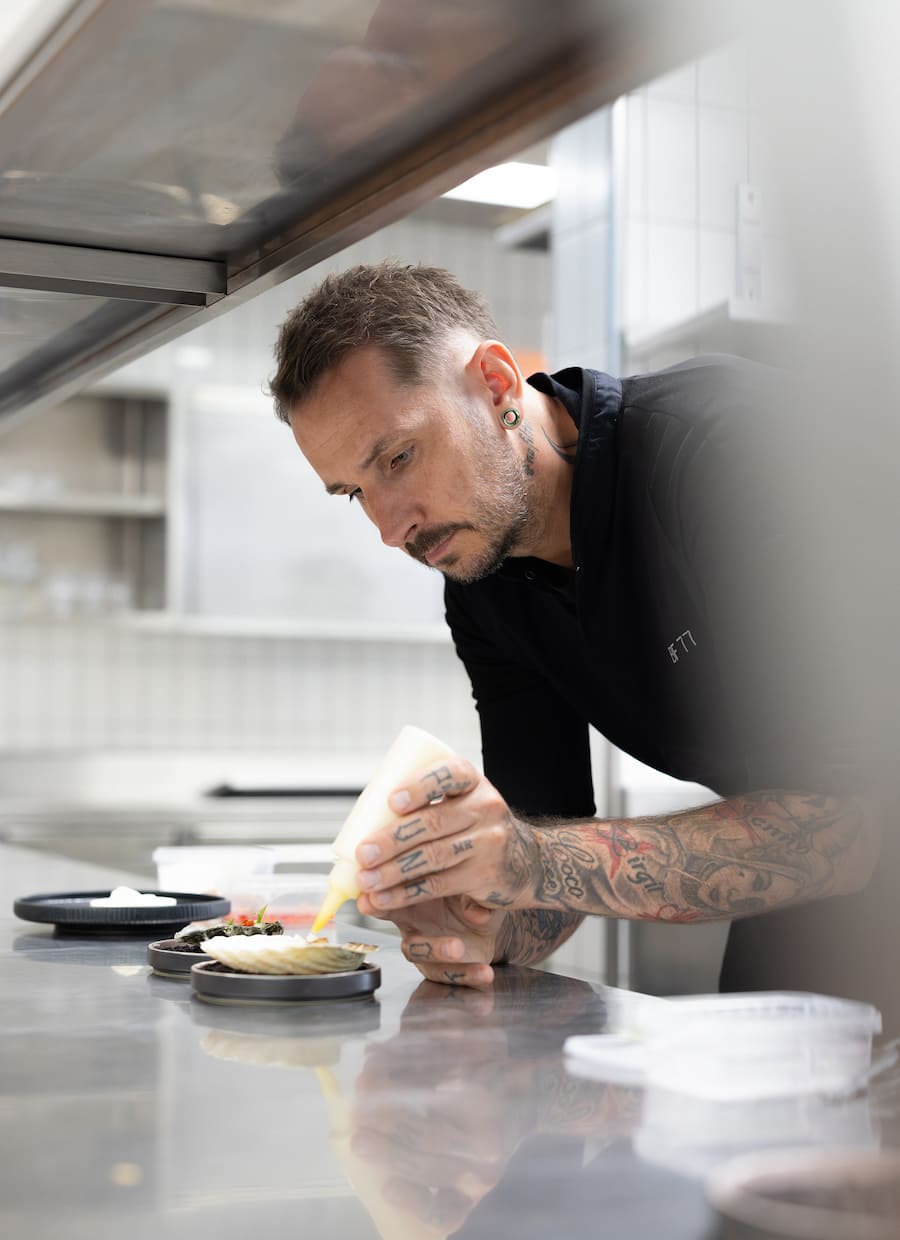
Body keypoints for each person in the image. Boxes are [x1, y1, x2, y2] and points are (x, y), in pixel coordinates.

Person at [269, 261, 896, 1022]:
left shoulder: (726, 453)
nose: (388, 527)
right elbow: (546, 852)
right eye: (354, 493)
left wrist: (532, 859)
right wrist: (480, 921)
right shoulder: (484, 585)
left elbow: (850, 820)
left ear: (497, 385)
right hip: (815, 897)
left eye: (397, 458)